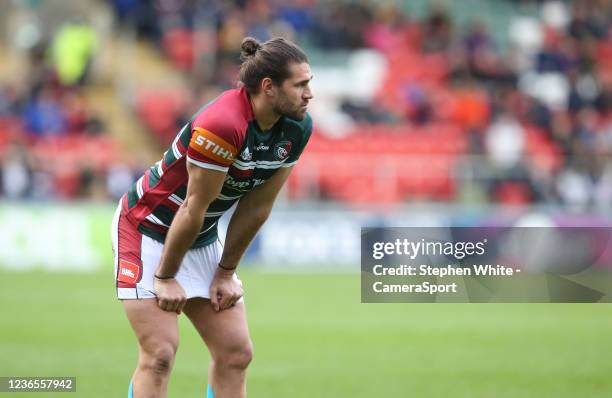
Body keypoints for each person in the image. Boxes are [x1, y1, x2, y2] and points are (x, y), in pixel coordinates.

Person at [110, 36, 313, 398]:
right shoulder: (222, 123)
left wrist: (225, 273)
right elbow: (192, 208)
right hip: (147, 230)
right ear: (268, 87)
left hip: (198, 235)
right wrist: (166, 277)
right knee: (160, 353)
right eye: (300, 85)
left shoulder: (297, 127)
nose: (309, 94)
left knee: (236, 353)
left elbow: (257, 207)